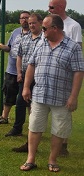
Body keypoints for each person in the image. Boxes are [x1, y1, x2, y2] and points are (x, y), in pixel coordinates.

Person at [19, 14, 84, 172]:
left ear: (55, 28)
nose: (42, 30)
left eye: (44, 28)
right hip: (40, 94)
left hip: (62, 98)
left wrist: (74, 97)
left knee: (59, 129)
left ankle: (52, 160)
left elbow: (78, 72)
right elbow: (31, 65)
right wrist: (26, 87)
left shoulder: (73, 47)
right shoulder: (41, 43)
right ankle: (30, 159)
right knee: (34, 127)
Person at [48, 0, 82, 156]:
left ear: (61, 7)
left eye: (52, 7)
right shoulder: (48, 23)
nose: (49, 10)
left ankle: (63, 145)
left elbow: (78, 51)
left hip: (65, 75)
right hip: (49, 73)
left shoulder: (73, 26)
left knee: (64, 110)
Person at [10, 13, 43, 151]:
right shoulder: (24, 38)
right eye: (29, 23)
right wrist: (18, 73)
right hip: (24, 76)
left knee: (34, 106)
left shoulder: (44, 39)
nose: (31, 25)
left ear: (40, 23)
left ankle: (34, 130)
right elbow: (19, 56)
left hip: (39, 76)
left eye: (34, 23)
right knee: (20, 103)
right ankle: (17, 128)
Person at [0, 11, 30, 125]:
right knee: (9, 94)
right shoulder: (15, 32)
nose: (24, 20)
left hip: (27, 71)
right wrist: (2, 47)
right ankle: (4, 117)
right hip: (11, 70)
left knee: (28, 97)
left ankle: (32, 122)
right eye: (22, 18)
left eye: (26, 18)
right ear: (19, 20)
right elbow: (9, 48)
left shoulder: (34, 33)